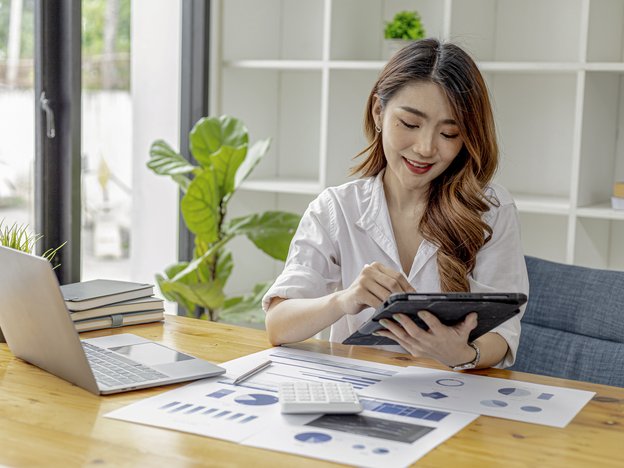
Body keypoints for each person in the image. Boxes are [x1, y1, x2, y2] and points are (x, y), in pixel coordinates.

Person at [262, 38, 529, 370]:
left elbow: (502, 335)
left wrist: (461, 354)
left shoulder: (492, 209)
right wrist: (344, 300)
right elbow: (278, 325)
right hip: (358, 395)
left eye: (449, 134)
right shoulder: (337, 209)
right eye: (411, 124)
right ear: (379, 112)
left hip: (452, 396)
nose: (425, 148)